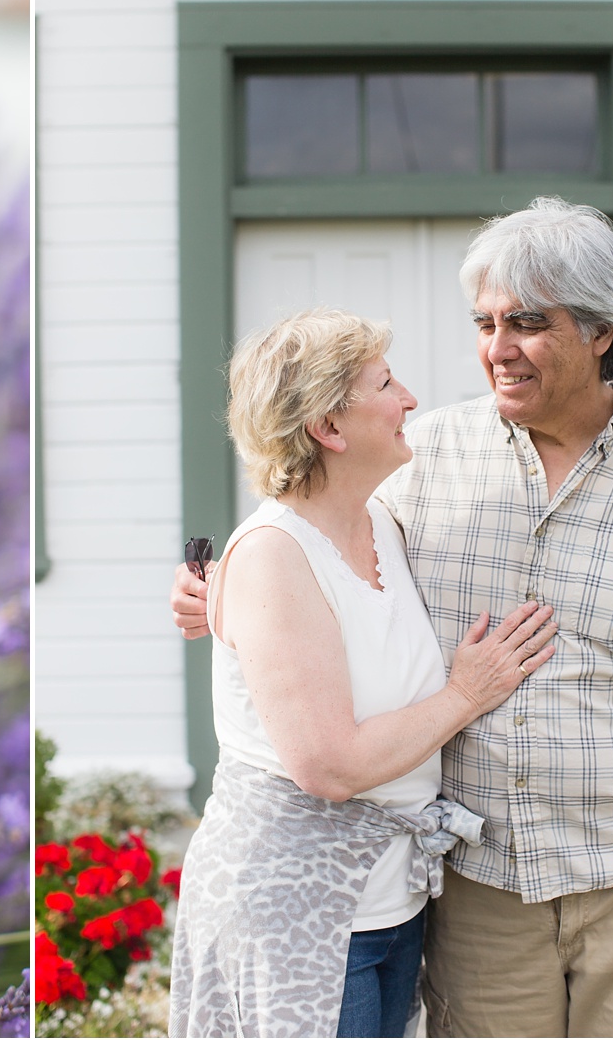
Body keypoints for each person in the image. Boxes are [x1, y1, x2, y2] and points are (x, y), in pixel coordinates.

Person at [171, 197, 613, 1037]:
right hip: (477, 904)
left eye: (527, 322)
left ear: (601, 331)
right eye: (486, 322)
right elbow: (302, 526)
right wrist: (219, 588)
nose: (497, 349)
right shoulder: (423, 461)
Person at [167, 307, 559, 1038]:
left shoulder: (379, 520)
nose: (410, 398)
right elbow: (329, 765)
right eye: (385, 383)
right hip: (294, 913)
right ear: (329, 429)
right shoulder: (274, 555)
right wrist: (468, 693)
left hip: (391, 904)